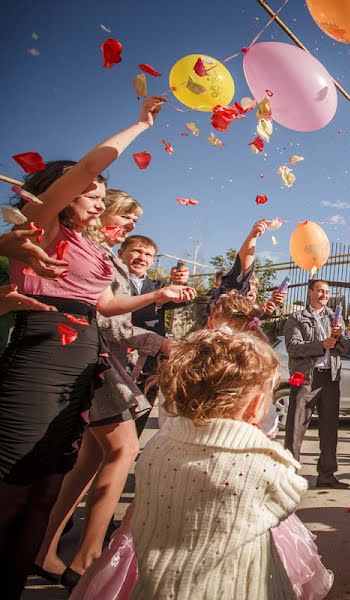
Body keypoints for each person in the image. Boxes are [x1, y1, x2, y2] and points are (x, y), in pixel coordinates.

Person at [0, 96, 194, 596]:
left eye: (100, 194)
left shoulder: (91, 247)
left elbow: (105, 305)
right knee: (14, 486)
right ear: (63, 194)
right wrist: (141, 124)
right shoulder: (42, 226)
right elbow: (89, 163)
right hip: (41, 353)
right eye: (91, 193)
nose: (97, 199)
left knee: (46, 490)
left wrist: (158, 295)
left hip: (83, 357)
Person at [35, 190, 194, 590]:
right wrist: (162, 343)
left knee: (88, 462)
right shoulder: (101, 259)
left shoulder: (100, 256)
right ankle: (86, 557)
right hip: (101, 364)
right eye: (127, 222)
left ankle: (44, 548)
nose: (130, 228)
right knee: (123, 451)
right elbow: (109, 322)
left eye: (136, 224)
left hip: (105, 363)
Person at [124, 328, 332, 599]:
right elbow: (291, 491)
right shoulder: (262, 462)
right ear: (255, 404)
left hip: (157, 588)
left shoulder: (156, 447)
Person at [282, 279, 350, 488]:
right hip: (307, 378)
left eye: (327, 292)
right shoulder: (296, 318)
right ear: (310, 292)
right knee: (296, 427)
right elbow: (293, 347)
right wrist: (321, 345)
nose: (325, 295)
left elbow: (346, 347)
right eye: (320, 291)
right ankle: (289, 475)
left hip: (330, 377)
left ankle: (327, 475)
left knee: (329, 428)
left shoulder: (334, 317)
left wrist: (339, 338)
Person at [122, 234, 190, 436]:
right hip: (117, 356)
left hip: (149, 362)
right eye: (137, 251)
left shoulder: (159, 286)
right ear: (121, 253)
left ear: (152, 260)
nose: (142, 257)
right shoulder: (111, 280)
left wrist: (181, 284)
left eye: (148, 254)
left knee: (141, 412)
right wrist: (156, 299)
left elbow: (180, 299)